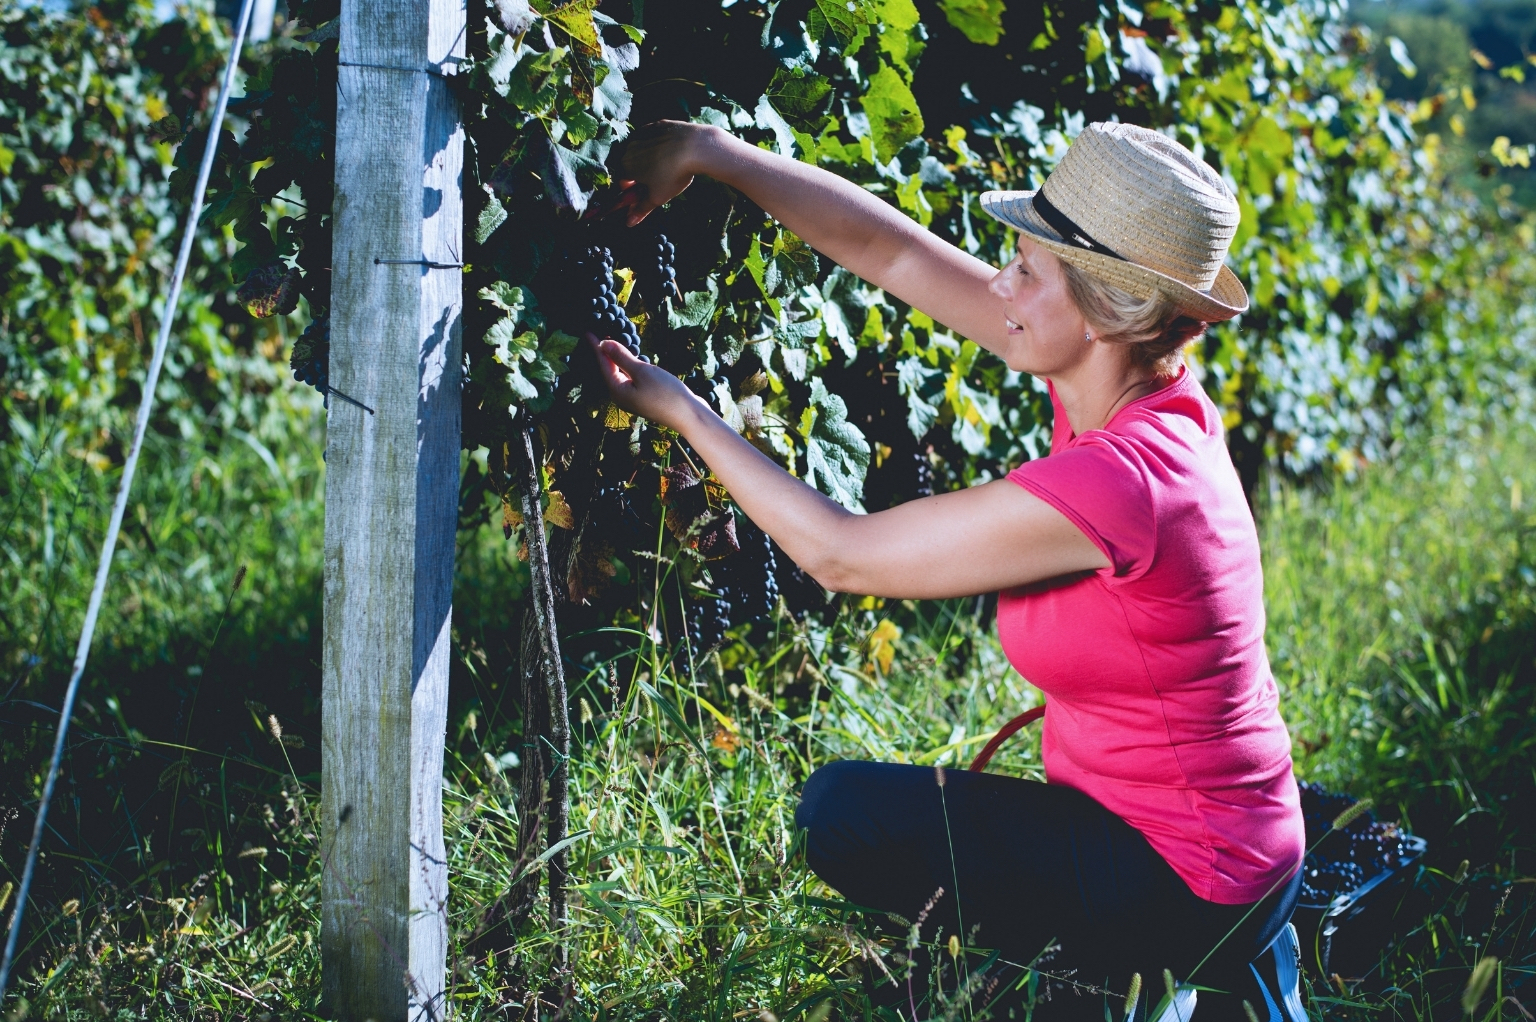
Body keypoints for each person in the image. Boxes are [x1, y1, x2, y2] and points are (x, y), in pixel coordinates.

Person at [592, 120, 1307, 1022]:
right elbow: (887, 252)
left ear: (1104, 311)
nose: (999, 285)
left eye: (1026, 271)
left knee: (839, 810)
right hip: (1231, 848)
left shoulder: (1125, 480)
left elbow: (840, 554)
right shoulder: (1121, 384)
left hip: (1192, 881)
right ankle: (1171, 981)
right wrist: (711, 155)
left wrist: (686, 414)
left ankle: (1129, 982)